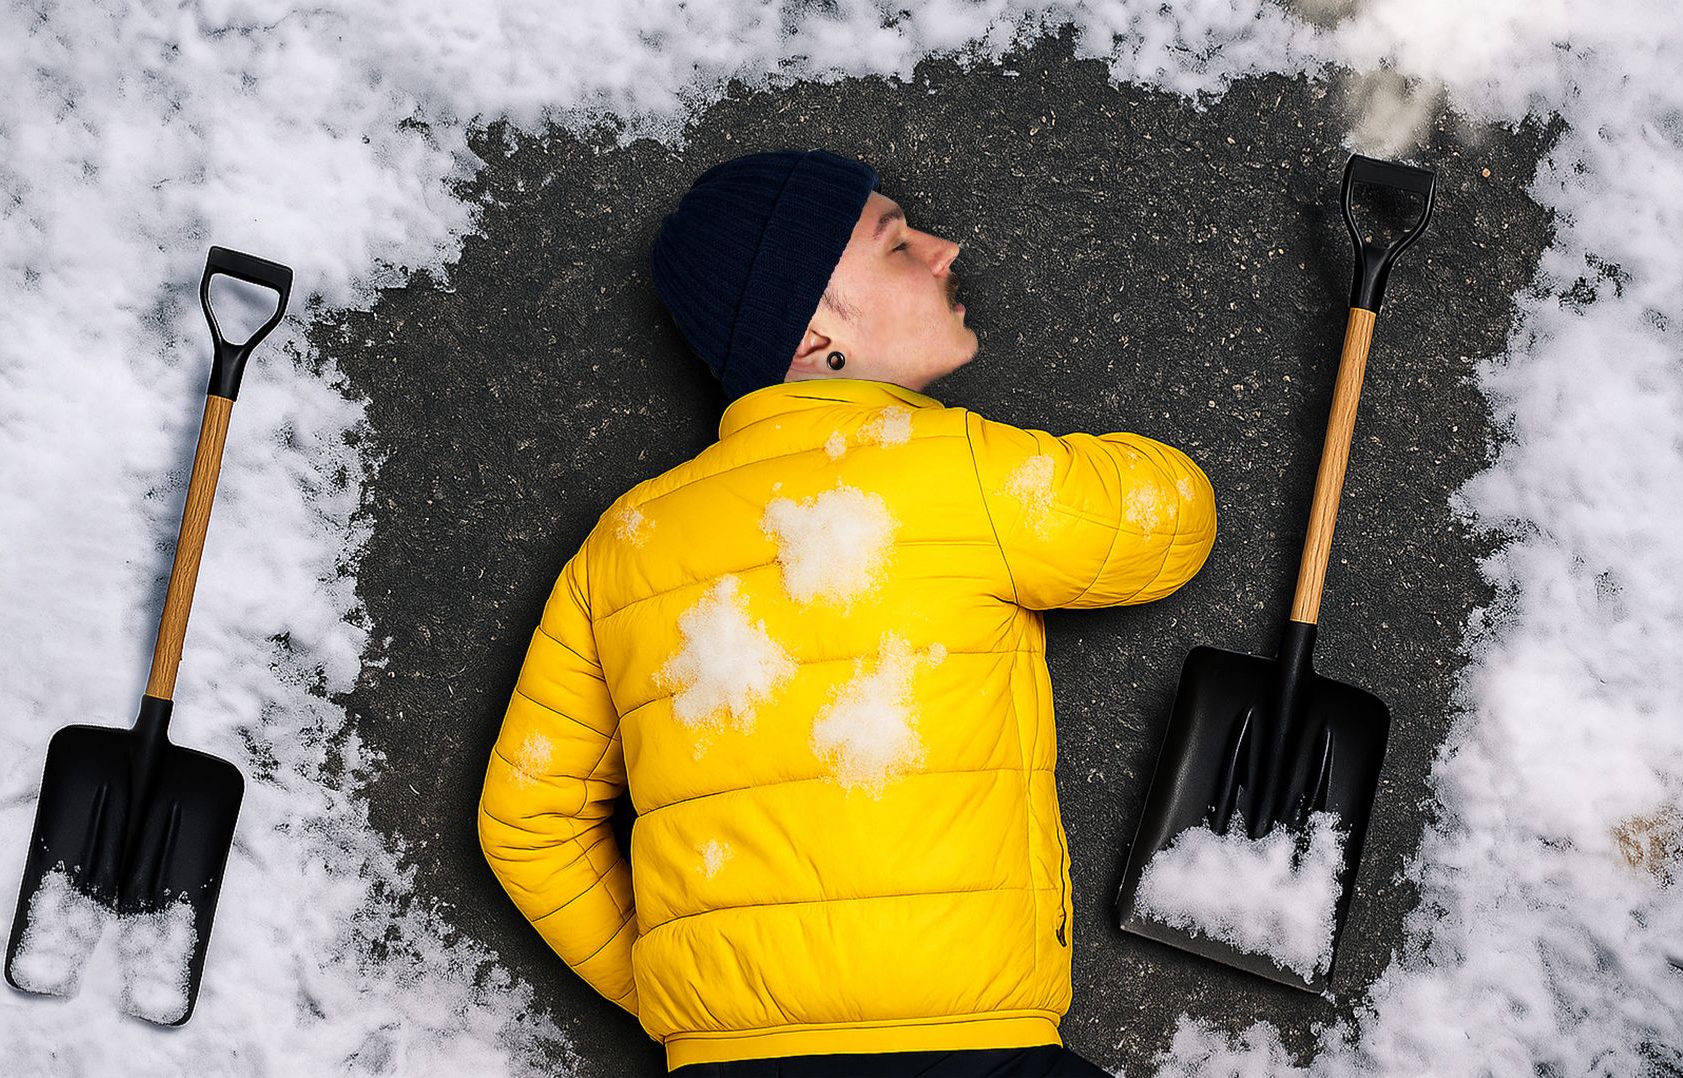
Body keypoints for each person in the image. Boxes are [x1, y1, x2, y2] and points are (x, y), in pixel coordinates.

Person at [478, 148, 1216, 1076]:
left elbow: (526, 819)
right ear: (814, 332)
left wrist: (684, 988)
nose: (944, 250)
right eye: (898, 243)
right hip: (963, 1050)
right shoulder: (959, 472)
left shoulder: (623, 542)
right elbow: (1169, 519)